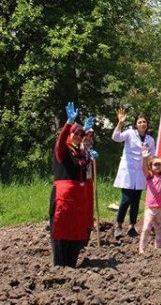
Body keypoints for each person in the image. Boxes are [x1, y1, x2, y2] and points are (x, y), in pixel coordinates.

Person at [50, 102, 92, 267]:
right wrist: (68, 123)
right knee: (61, 232)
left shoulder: (81, 153)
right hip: (64, 197)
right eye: (76, 134)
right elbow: (61, 140)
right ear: (70, 134)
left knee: (76, 232)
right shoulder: (63, 150)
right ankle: (60, 265)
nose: (78, 137)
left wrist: (86, 142)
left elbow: (85, 164)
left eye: (81, 135)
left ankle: (72, 264)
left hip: (79, 199)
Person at [111, 108, 155, 239]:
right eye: (140, 122)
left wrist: (152, 165)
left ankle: (131, 227)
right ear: (136, 124)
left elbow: (152, 157)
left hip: (141, 172)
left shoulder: (150, 140)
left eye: (144, 122)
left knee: (136, 201)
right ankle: (118, 225)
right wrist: (120, 123)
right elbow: (116, 137)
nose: (142, 124)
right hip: (128, 170)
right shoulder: (130, 133)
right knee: (126, 200)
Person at [139, 147, 161, 254]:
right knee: (146, 228)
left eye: (159, 165)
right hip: (150, 208)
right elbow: (144, 168)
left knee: (159, 229)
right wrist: (145, 158)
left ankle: (158, 249)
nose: (158, 166)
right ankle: (142, 249)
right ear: (151, 167)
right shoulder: (149, 176)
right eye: (155, 164)